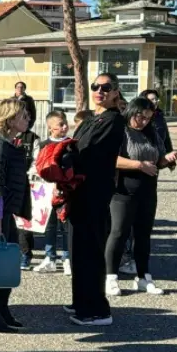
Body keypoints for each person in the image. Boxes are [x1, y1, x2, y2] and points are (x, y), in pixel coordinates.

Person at [66, 73, 127, 326]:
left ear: (115, 92)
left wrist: (65, 154)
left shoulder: (113, 120)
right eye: (95, 86)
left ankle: (97, 309)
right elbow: (72, 144)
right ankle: (82, 301)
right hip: (78, 191)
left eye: (106, 87)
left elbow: (84, 151)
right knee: (78, 249)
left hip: (94, 192)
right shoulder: (91, 118)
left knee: (91, 249)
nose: (99, 91)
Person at [105, 97, 176, 297]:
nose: (143, 121)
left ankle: (144, 277)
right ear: (131, 111)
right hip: (123, 190)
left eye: (148, 118)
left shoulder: (151, 133)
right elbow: (111, 158)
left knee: (143, 235)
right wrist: (139, 165)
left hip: (148, 190)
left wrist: (166, 159)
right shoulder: (121, 131)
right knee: (118, 233)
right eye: (140, 116)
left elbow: (159, 159)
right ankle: (111, 277)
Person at [0, 99, 32, 332]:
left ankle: (2, 310)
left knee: (7, 263)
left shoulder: (11, 143)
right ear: (11, 119)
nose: (28, 119)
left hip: (7, 211)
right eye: (23, 116)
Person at [33, 111, 72, 274]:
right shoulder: (43, 144)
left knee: (66, 226)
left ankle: (67, 258)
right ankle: (50, 257)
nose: (64, 127)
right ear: (50, 128)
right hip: (47, 191)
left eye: (65, 124)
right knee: (49, 225)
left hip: (66, 191)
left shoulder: (71, 144)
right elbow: (39, 166)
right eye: (60, 125)